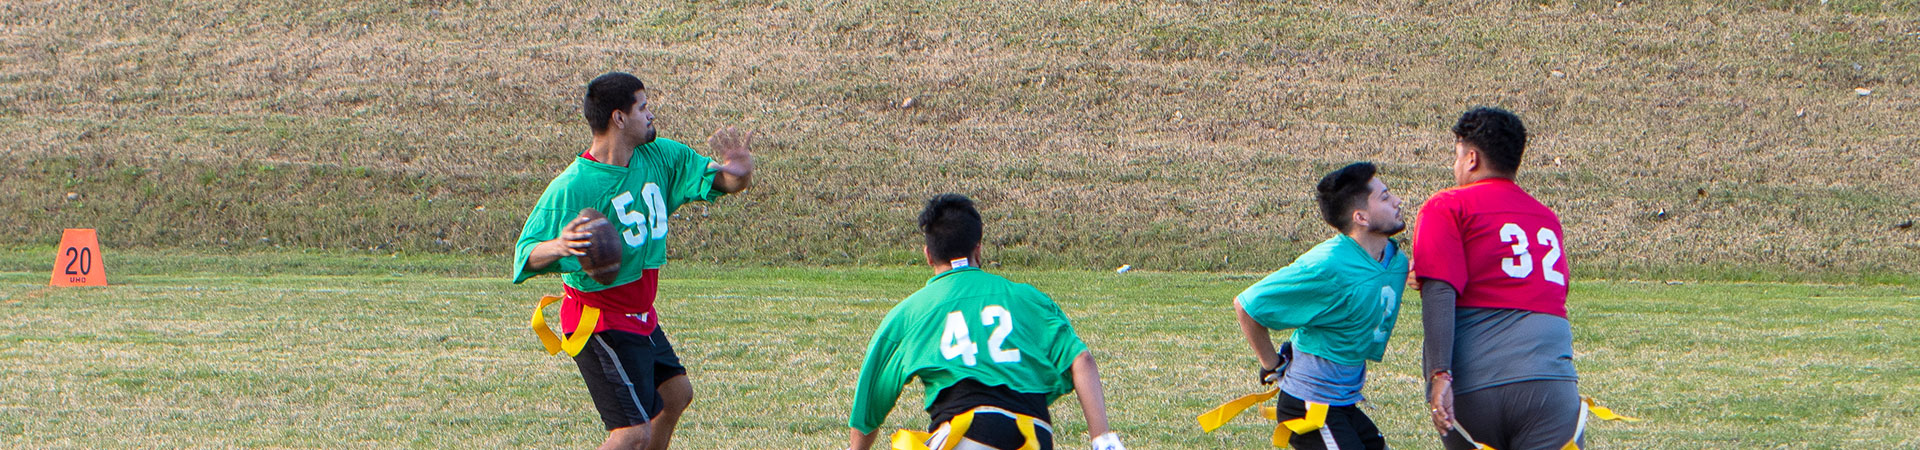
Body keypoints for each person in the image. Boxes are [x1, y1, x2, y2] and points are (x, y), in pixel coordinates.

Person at [512, 71, 755, 450]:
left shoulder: (659, 156)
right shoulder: (574, 186)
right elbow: (525, 254)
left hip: (640, 314)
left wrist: (739, 173)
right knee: (631, 434)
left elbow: (720, 182)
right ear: (619, 118)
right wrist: (560, 245)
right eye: (643, 107)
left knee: (676, 393)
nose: (651, 114)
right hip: (599, 321)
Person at [847, 194, 1125, 450]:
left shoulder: (911, 312)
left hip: (968, 430)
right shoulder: (1028, 298)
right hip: (1034, 434)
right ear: (977, 250)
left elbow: (869, 406)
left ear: (928, 254)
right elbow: (1082, 360)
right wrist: (1103, 440)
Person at [1415, 106, 1583, 450]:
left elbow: (1439, 294)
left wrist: (1439, 375)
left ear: (1472, 158)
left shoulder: (1446, 205)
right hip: (1552, 382)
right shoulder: (1547, 218)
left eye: (1457, 155)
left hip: (1478, 381)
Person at [1232, 162, 1409, 450]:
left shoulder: (1395, 259)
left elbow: (1383, 276)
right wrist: (1272, 365)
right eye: (1386, 197)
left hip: (1344, 402)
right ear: (1361, 217)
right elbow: (1247, 305)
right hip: (1310, 404)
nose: (1397, 201)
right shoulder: (1326, 265)